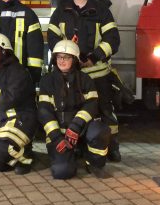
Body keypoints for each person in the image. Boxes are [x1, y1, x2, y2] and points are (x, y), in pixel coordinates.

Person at [48, 0, 122, 162]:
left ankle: (112, 146)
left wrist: (94, 57)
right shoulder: (61, 10)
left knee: (105, 111)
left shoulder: (101, 10)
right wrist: (68, 57)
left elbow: (113, 39)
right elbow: (53, 38)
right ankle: (79, 146)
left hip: (97, 73)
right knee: (75, 111)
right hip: (72, 75)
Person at [38, 39, 110, 179]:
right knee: (62, 172)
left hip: (80, 131)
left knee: (99, 131)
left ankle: (95, 163)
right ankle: (70, 157)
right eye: (59, 57)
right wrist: (56, 137)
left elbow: (92, 105)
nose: (62, 61)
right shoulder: (47, 81)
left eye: (66, 57)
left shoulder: (85, 79)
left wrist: (76, 126)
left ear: (75, 60)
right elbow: (44, 112)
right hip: (59, 135)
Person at [0, 33, 39, 175]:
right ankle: (16, 157)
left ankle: (26, 157)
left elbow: (8, 99)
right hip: (1, 122)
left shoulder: (18, 71)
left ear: (4, 50)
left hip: (21, 120)